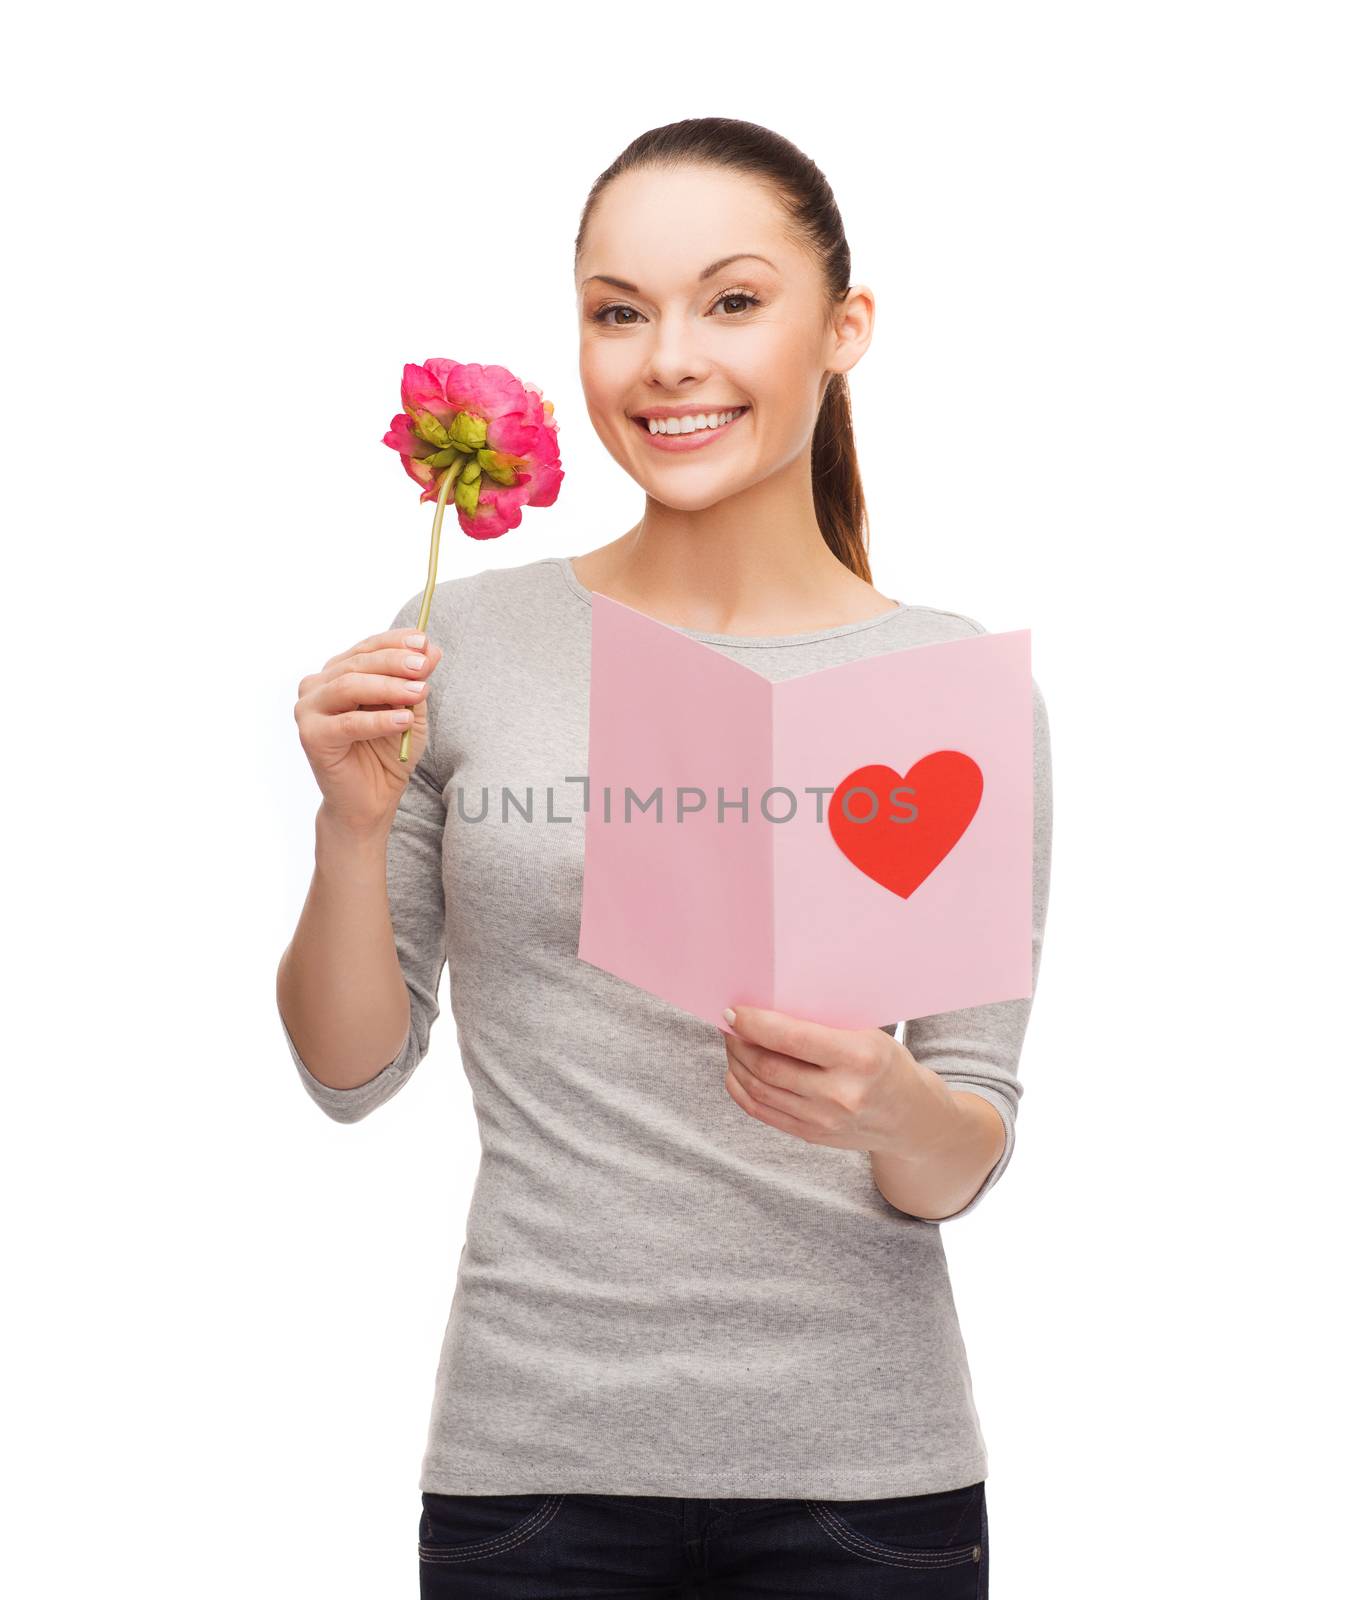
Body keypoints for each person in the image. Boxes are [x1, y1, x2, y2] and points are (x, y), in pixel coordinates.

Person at [277, 116, 1052, 1599]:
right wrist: (348, 828)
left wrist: (896, 1108)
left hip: (866, 1495)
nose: (667, 358)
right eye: (618, 312)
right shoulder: (468, 644)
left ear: (845, 329)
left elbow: (967, 1151)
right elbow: (350, 1073)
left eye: (733, 302)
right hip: (534, 1477)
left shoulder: (946, 690)